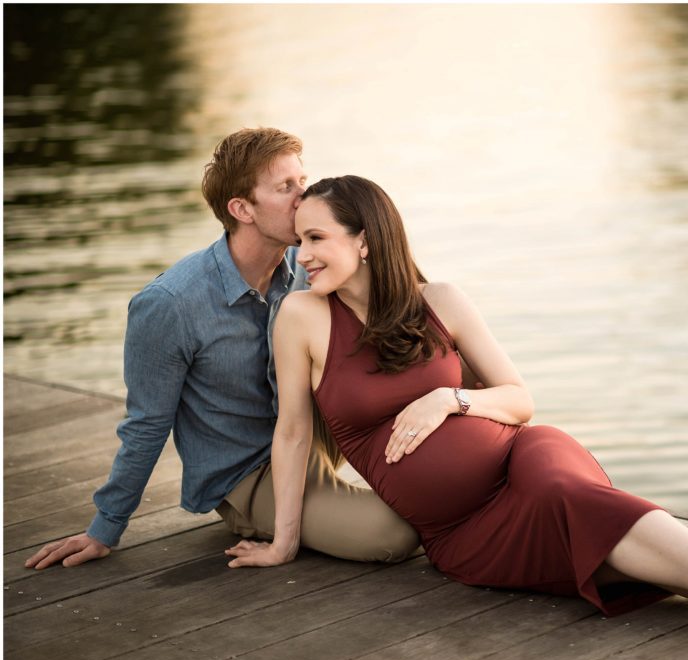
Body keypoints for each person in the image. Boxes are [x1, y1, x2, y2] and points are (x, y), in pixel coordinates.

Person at [223, 175, 688, 650]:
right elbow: (291, 432)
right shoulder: (304, 318)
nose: (302, 254)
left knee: (577, 499)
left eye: (317, 238)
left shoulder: (441, 299)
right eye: (301, 238)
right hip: (464, 531)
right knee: (626, 548)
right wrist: (284, 542)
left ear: (365, 239)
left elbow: (521, 402)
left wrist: (450, 397)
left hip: (524, 458)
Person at [24, 129, 423, 572]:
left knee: (442, 362)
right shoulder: (170, 305)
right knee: (395, 535)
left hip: (317, 430)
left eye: (302, 180)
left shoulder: (307, 265)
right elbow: (146, 425)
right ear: (241, 209)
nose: (303, 196)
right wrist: (105, 528)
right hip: (249, 475)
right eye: (285, 187)